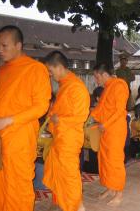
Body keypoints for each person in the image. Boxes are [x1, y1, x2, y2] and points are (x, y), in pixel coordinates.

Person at [0, 25, 52, 211]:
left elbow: (41, 106)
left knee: (17, 186)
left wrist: (8, 120)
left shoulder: (35, 69)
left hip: (19, 138)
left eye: (4, 46)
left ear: (18, 45)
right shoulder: (3, 70)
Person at [43, 51, 90, 211]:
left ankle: (77, 206)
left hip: (69, 139)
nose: (50, 75)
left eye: (50, 70)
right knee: (58, 173)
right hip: (60, 138)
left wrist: (58, 120)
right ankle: (60, 201)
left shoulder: (76, 87)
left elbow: (80, 116)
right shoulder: (65, 86)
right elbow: (60, 110)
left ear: (59, 67)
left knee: (69, 176)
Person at [90, 64, 129, 206]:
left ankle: (119, 193)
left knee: (115, 160)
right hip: (106, 130)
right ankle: (110, 187)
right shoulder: (108, 87)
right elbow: (101, 107)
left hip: (115, 130)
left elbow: (119, 111)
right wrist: (90, 116)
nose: (96, 80)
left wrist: (105, 124)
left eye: (96, 76)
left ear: (104, 74)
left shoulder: (119, 85)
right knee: (105, 160)